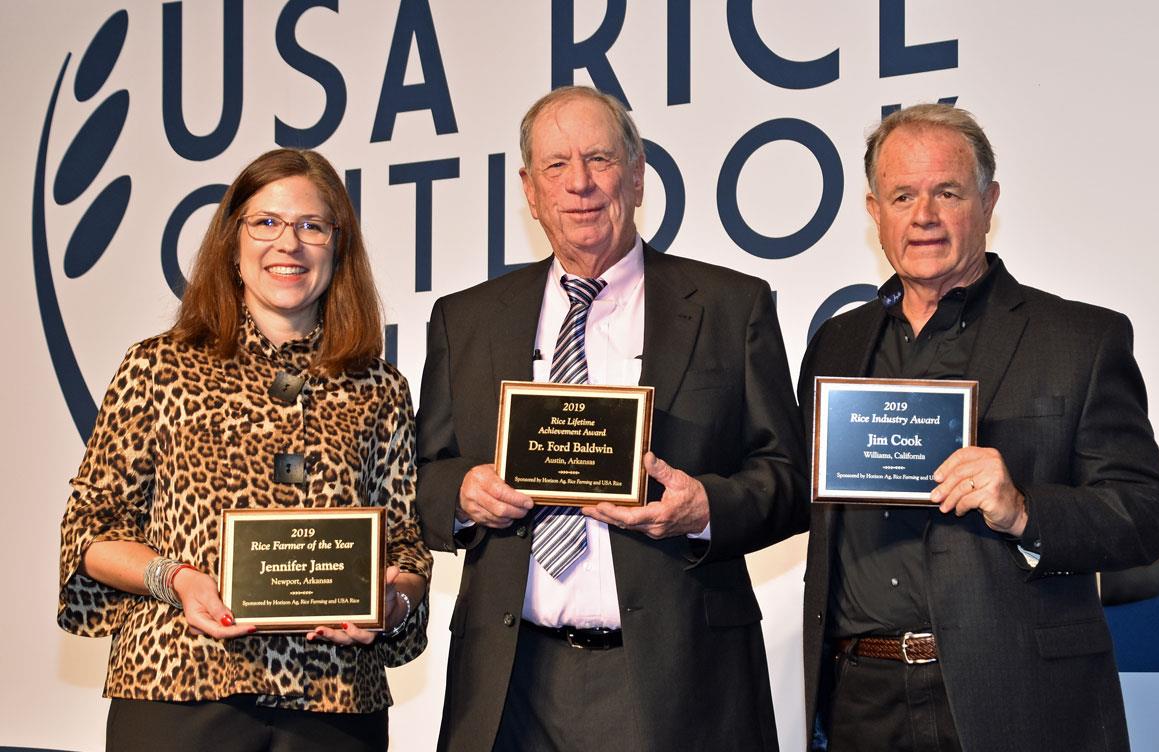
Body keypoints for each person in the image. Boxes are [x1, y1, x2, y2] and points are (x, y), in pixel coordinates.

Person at [416, 85, 806, 752]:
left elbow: (789, 478)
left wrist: (704, 507)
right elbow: (420, 479)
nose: (581, 185)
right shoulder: (467, 318)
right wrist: (460, 494)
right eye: (556, 167)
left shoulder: (730, 305)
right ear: (529, 191)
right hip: (511, 684)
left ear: (637, 174)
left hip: (679, 679)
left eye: (599, 159)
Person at [796, 103, 1159, 752]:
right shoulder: (837, 343)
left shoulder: (1079, 341)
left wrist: (1025, 510)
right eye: (902, 195)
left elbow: (1150, 518)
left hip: (1015, 698)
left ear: (988, 200)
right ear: (873, 212)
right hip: (861, 694)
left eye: (947, 192)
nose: (924, 215)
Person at [57, 148, 431, 751]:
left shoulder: (380, 388)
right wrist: (174, 578)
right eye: (266, 223)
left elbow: (408, 546)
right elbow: (90, 533)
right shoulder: (158, 367)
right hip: (179, 689)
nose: (290, 244)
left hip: (334, 701)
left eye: (313, 226)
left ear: (338, 248)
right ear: (233, 244)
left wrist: (391, 599)